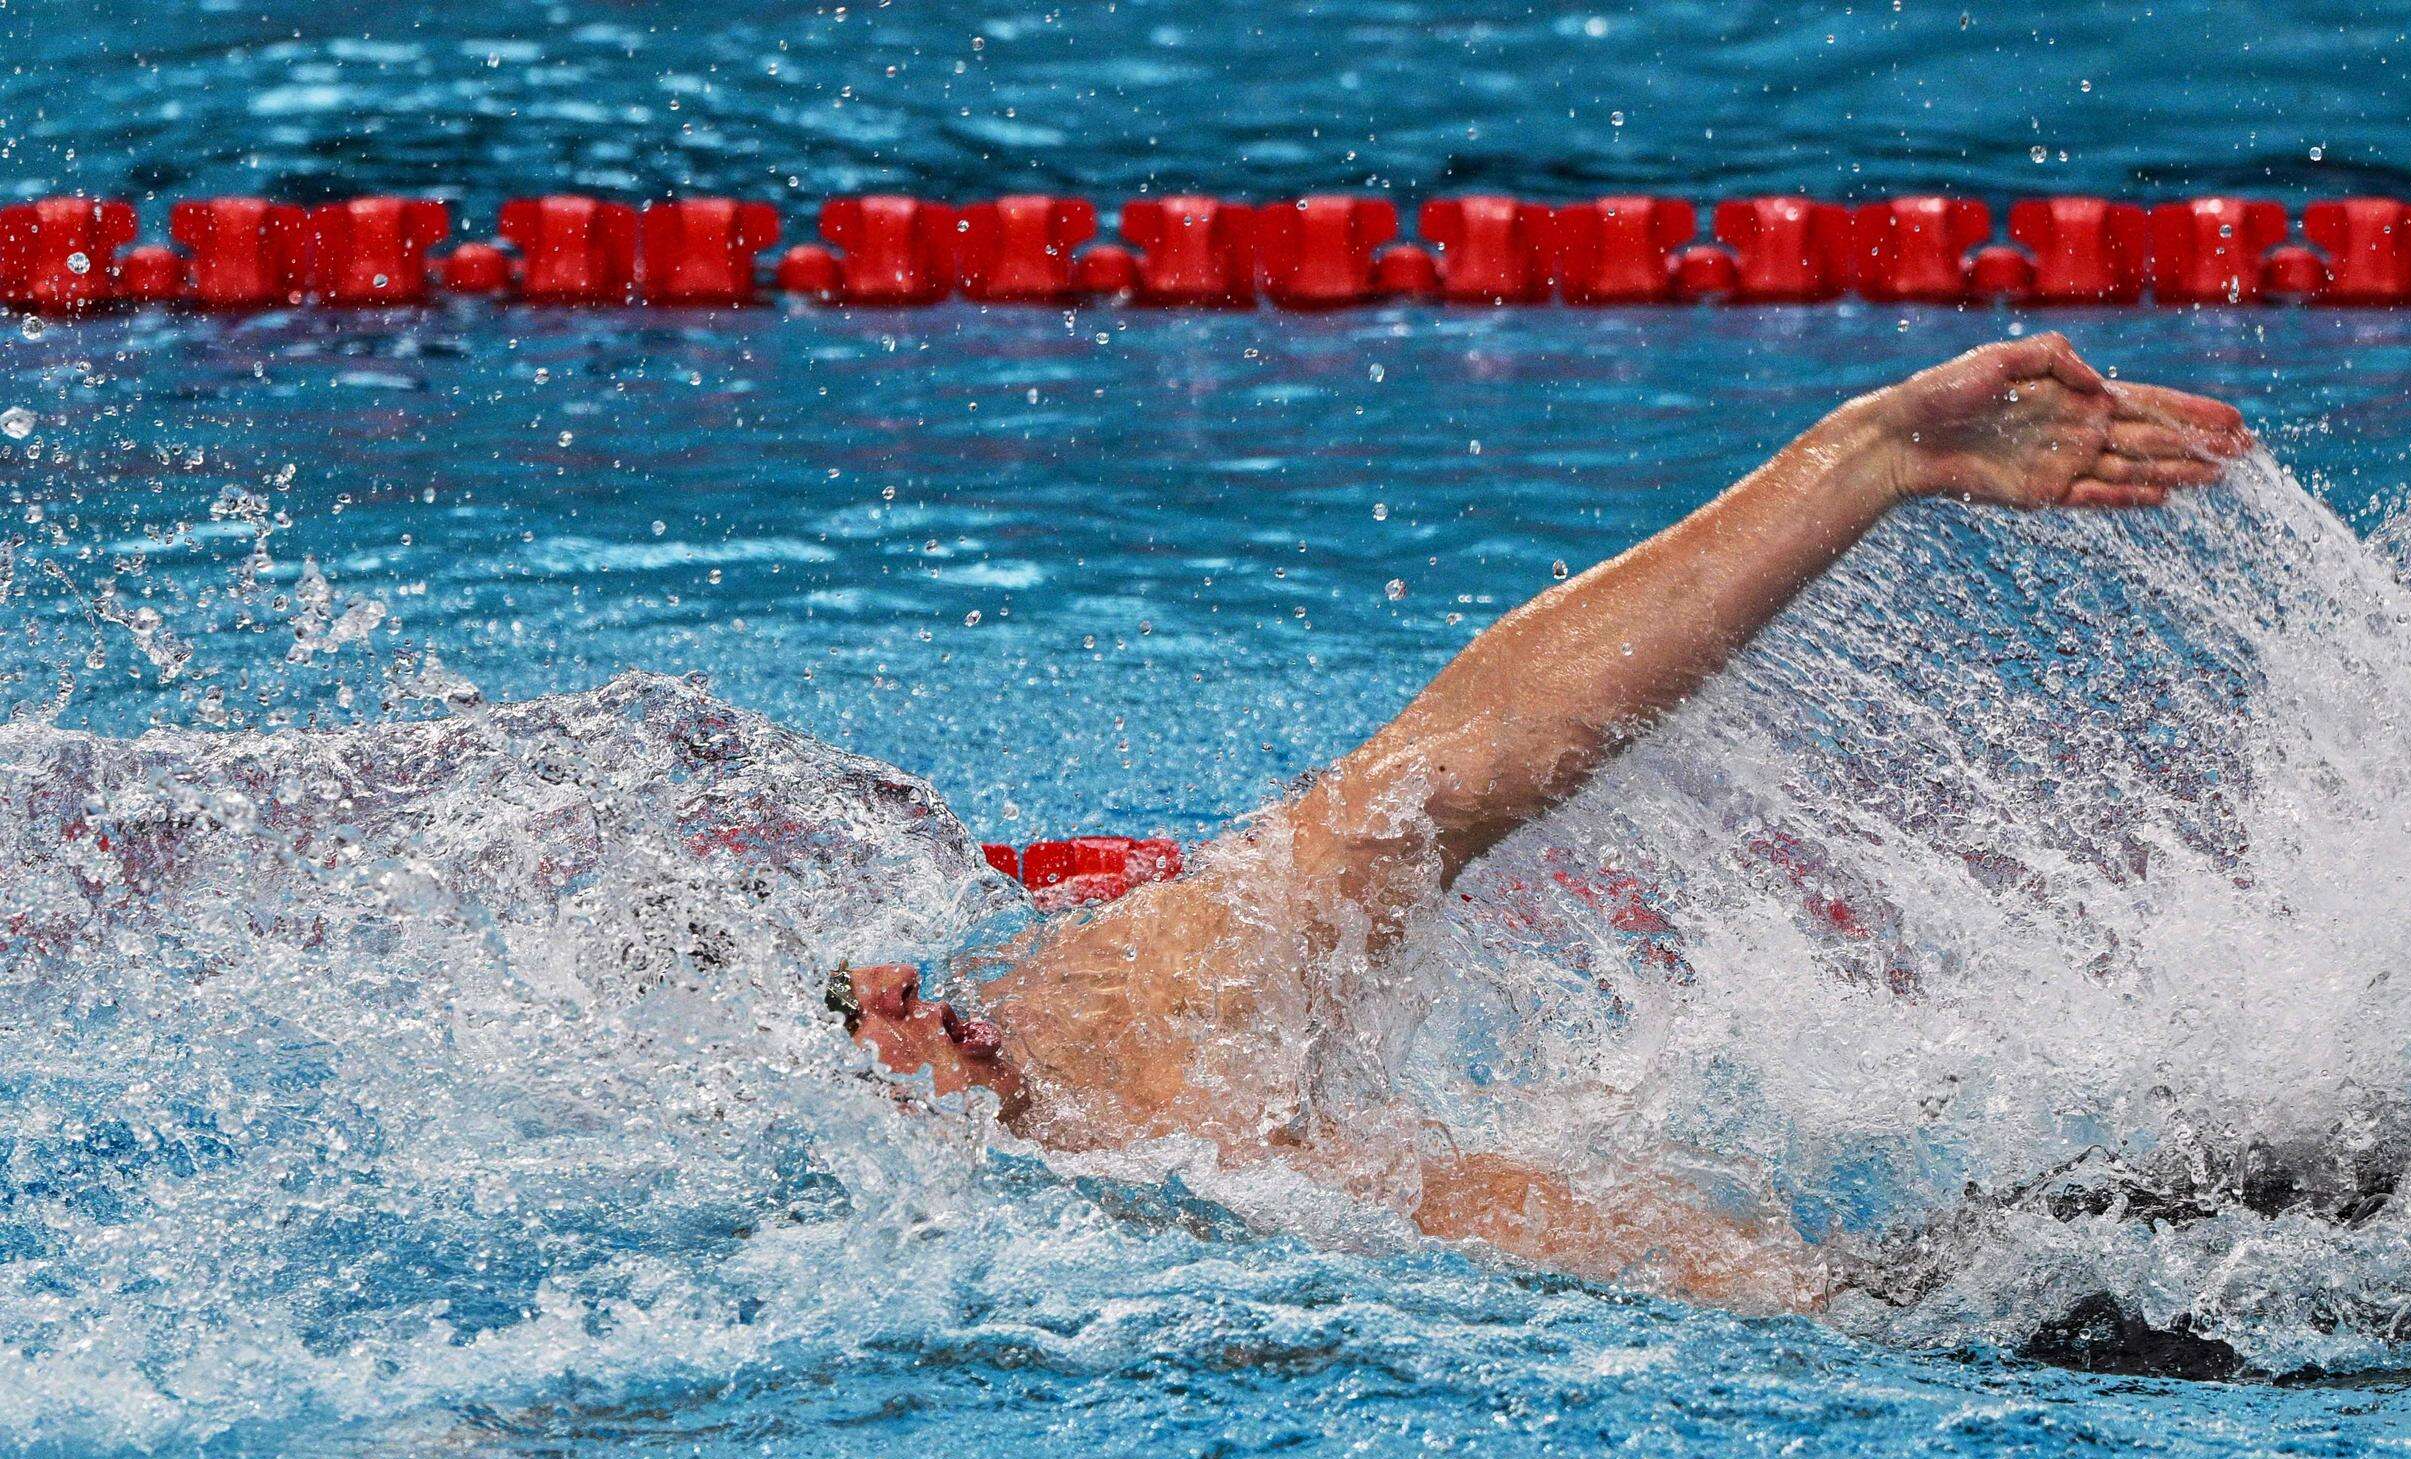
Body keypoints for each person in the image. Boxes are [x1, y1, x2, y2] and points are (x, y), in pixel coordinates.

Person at [833, 335, 2249, 1317]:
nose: (903, 981)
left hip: (1951, 1299)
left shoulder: (1129, 1013)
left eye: (872, 971)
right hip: (1905, 1325)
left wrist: (1867, 457)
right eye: (854, 1013)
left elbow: (1458, 765)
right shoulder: (950, 1232)